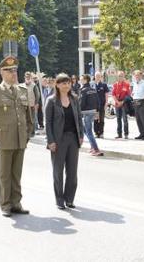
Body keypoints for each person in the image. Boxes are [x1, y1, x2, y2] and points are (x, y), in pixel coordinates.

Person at [0, 56, 33, 217]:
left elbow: (28, 116)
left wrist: (28, 134)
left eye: (15, 70)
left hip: (20, 138)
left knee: (17, 174)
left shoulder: (23, 91)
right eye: (9, 71)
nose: (13, 73)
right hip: (3, 139)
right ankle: (5, 204)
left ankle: (16, 203)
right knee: (5, 174)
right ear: (2, 73)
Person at [45, 73, 84, 210]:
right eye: (63, 83)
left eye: (68, 83)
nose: (66, 85)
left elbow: (79, 118)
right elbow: (48, 123)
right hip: (58, 140)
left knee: (72, 172)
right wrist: (50, 141)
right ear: (57, 84)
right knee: (58, 171)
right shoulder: (51, 100)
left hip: (73, 138)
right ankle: (59, 199)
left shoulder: (74, 99)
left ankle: (69, 199)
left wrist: (81, 135)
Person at [80, 74, 104, 156]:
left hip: (86, 112)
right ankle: (92, 147)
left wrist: (78, 111)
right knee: (84, 129)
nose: (80, 80)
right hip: (93, 111)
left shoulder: (83, 90)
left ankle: (96, 149)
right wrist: (97, 111)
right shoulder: (93, 89)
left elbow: (82, 103)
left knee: (89, 131)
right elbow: (98, 101)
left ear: (85, 80)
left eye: (81, 79)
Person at [131, 70, 144, 140]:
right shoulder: (134, 83)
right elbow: (133, 93)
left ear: (141, 76)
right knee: (138, 119)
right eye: (135, 75)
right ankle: (141, 134)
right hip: (135, 102)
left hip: (142, 102)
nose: (136, 76)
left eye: (138, 75)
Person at [20, 72, 40, 137]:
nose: (27, 78)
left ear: (30, 77)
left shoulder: (34, 85)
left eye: (29, 77)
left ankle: (32, 132)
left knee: (32, 119)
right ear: (24, 77)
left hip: (32, 105)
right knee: (24, 119)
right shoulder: (22, 85)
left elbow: (37, 95)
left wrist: (36, 103)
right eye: (26, 77)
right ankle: (26, 132)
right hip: (24, 105)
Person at [112, 71, 131, 139]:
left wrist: (122, 102)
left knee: (125, 119)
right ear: (117, 76)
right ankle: (119, 134)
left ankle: (126, 134)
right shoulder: (115, 85)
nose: (120, 77)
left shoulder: (127, 84)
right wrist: (117, 102)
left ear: (124, 77)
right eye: (119, 76)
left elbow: (128, 95)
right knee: (118, 119)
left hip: (124, 103)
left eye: (122, 76)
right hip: (117, 103)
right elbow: (113, 94)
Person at [93, 72, 109, 139]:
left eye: (99, 76)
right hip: (94, 105)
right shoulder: (92, 85)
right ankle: (96, 133)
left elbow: (106, 95)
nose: (98, 77)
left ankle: (101, 133)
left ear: (101, 77)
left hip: (102, 105)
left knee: (101, 119)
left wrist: (106, 103)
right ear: (95, 77)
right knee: (95, 119)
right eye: (97, 76)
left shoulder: (104, 85)